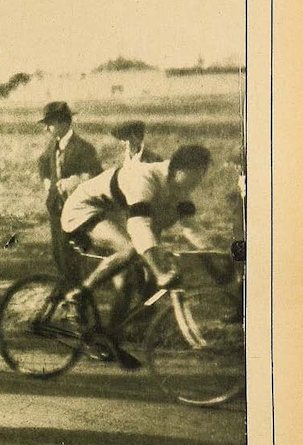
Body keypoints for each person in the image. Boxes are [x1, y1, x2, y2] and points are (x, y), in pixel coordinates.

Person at [60, 145, 213, 369]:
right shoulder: (145, 178)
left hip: (114, 216)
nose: (195, 185)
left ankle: (110, 339)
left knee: (130, 282)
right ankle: (77, 295)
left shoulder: (178, 190)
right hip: (84, 209)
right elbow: (139, 226)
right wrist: (160, 272)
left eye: (199, 178)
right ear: (177, 169)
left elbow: (191, 229)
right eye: (192, 178)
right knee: (130, 250)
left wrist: (221, 252)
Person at [37, 101, 103, 284]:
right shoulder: (53, 146)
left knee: (73, 255)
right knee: (58, 253)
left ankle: (76, 294)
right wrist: (47, 183)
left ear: (62, 123)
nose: (46, 129)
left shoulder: (83, 148)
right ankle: (67, 290)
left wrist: (75, 181)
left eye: (49, 124)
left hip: (76, 210)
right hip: (56, 209)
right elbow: (42, 163)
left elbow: (95, 175)